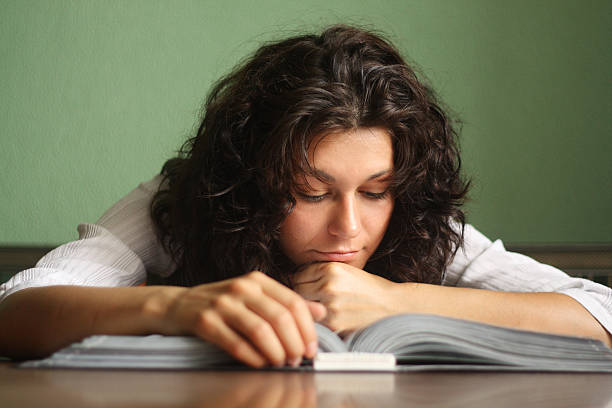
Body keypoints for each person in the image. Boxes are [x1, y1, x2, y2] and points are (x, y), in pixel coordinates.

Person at [0, 25, 610, 368]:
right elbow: (16, 310)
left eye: (375, 191)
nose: (349, 227)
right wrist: (175, 309)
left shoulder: (415, 222)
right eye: (310, 191)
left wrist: (402, 302)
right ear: (253, 180)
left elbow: (601, 313)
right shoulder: (183, 201)